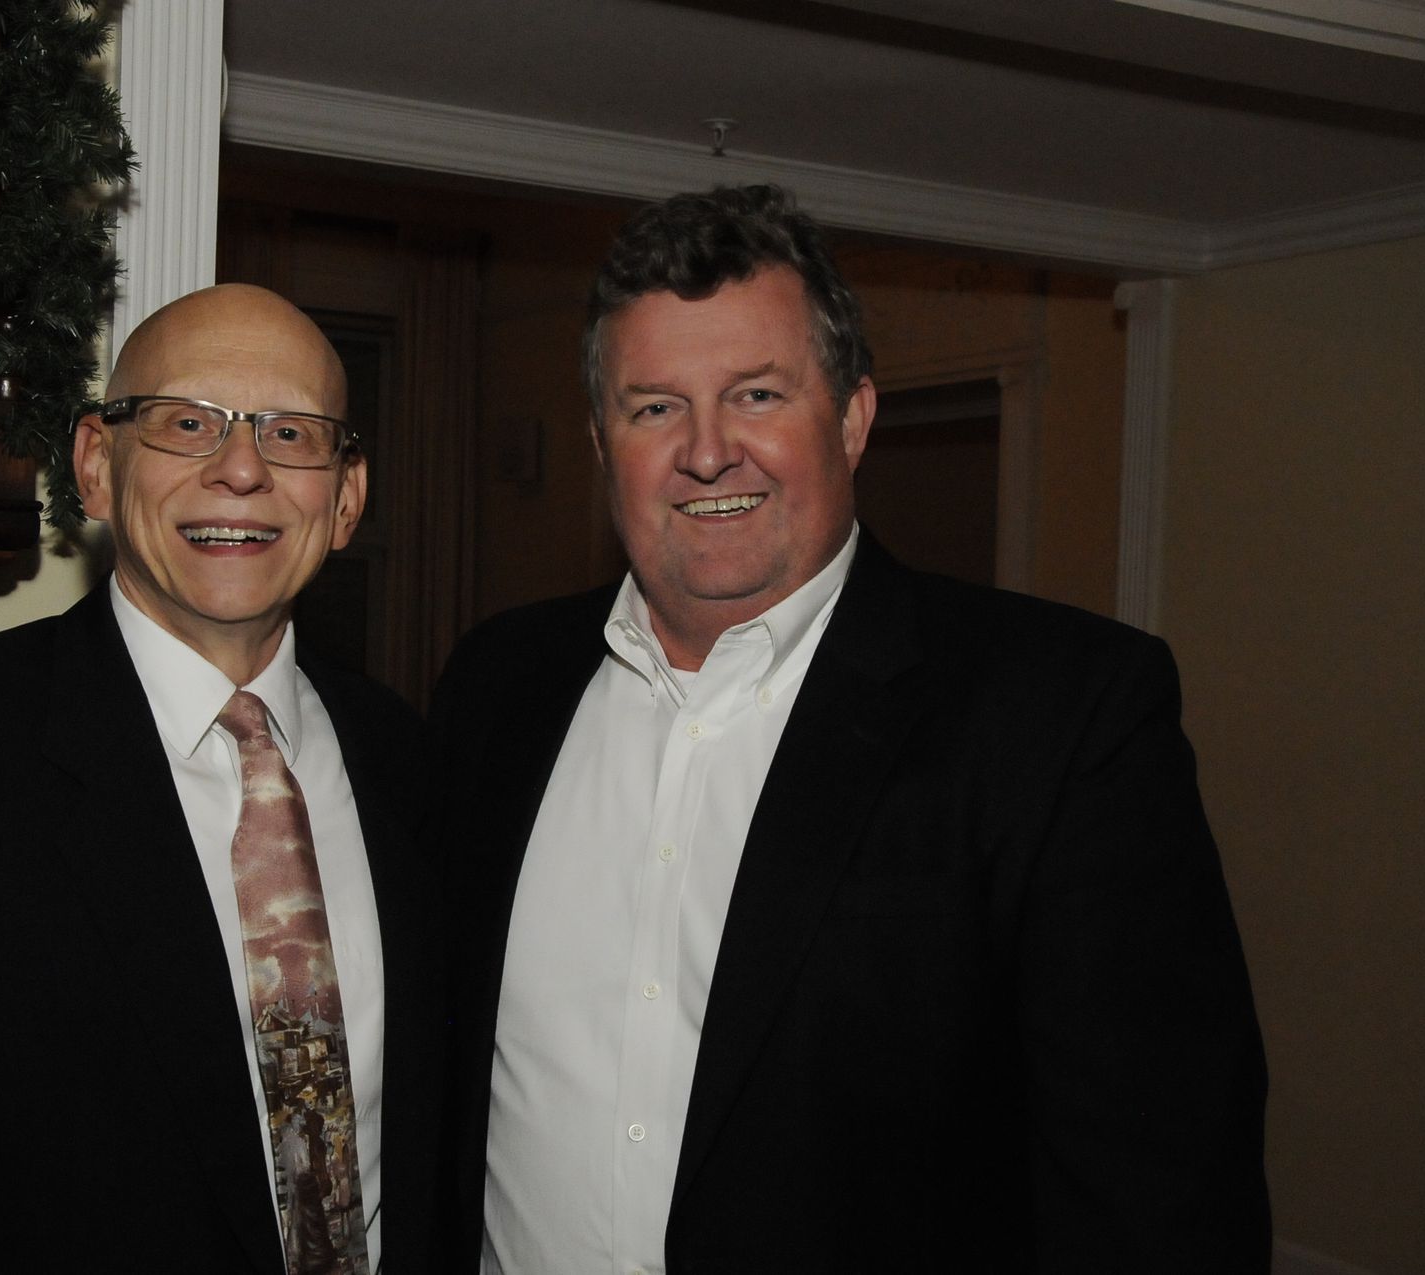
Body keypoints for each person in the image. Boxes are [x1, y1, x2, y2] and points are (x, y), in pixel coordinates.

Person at [432, 186, 1269, 1271]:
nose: (706, 451)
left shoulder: (1062, 718)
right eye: (654, 408)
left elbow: (1162, 1195)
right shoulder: (497, 686)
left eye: (758, 395)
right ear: (602, 444)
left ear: (855, 418)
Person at [0, 285, 437, 1272]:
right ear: (96, 467)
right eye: (187, 424)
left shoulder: (408, 762)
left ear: (346, 499)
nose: (240, 469)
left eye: (291, 434)